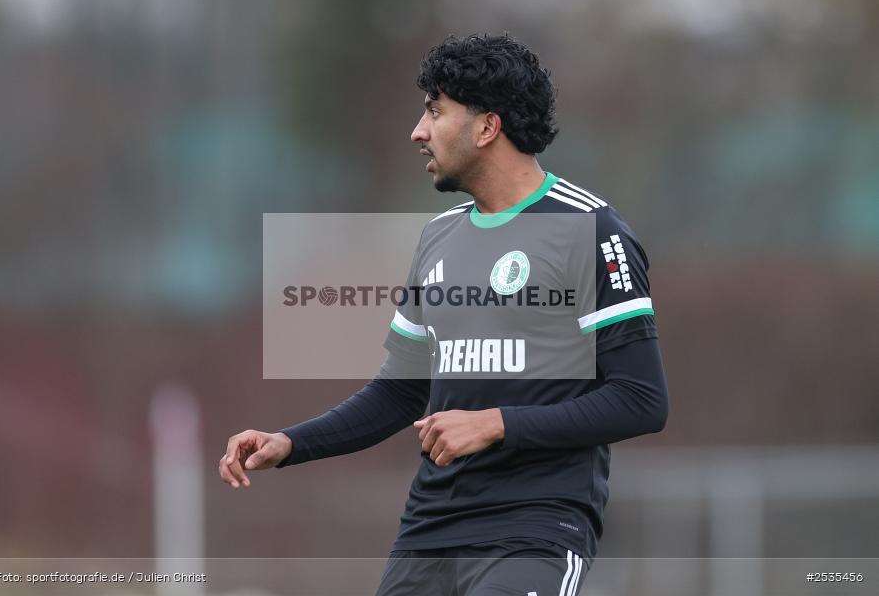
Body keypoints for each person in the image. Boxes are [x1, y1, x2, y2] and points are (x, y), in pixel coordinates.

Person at [219, 34, 668, 595]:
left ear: (486, 127)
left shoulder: (591, 231)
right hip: (428, 533)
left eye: (435, 111)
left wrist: (497, 424)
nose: (418, 130)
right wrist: (291, 442)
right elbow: (402, 392)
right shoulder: (438, 237)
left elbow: (641, 400)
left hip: (533, 533)